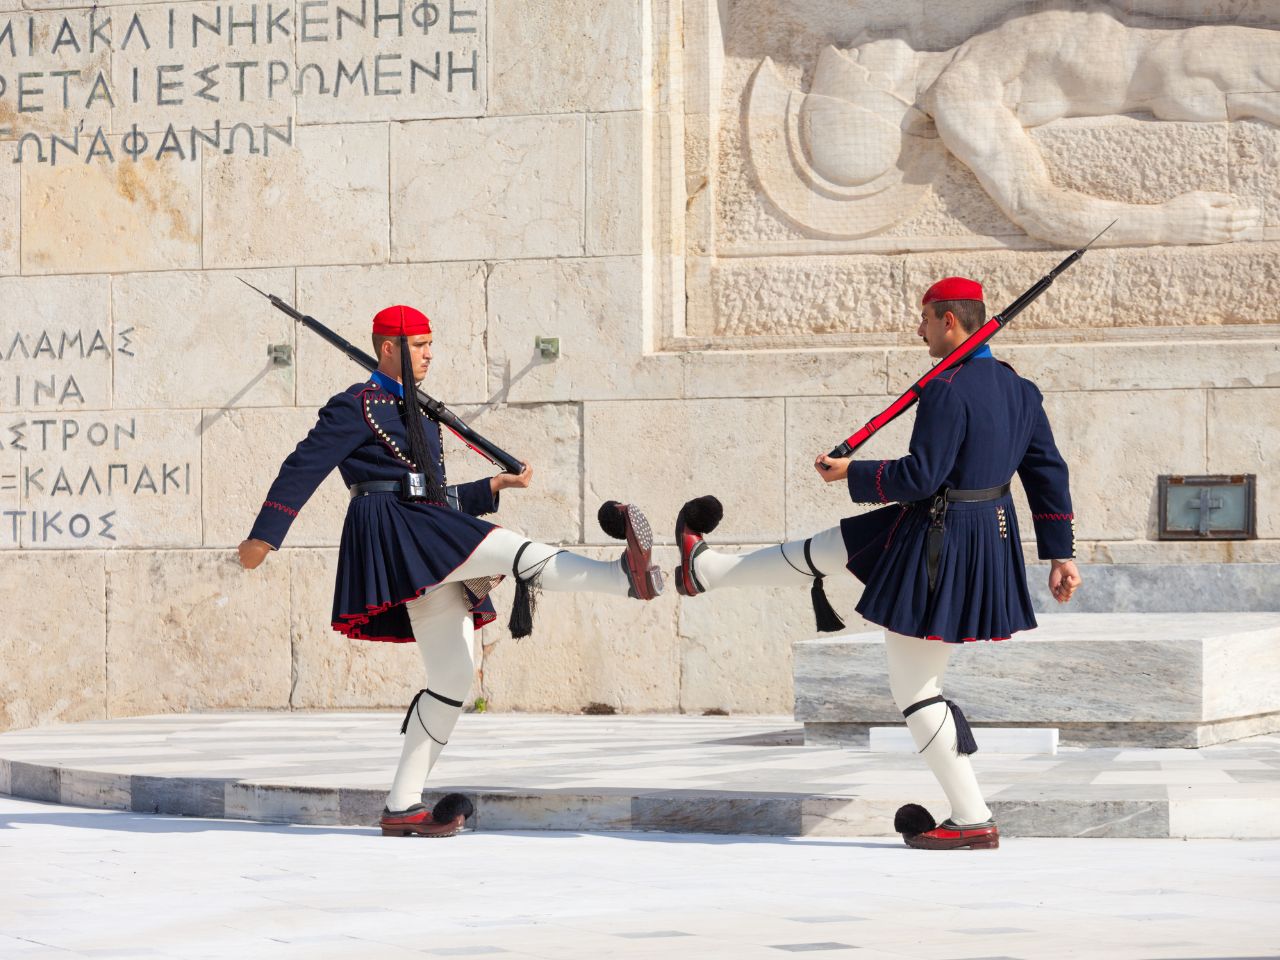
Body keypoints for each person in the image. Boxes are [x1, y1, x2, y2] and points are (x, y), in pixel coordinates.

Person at [675, 277, 1081, 850]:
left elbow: (922, 477)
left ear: (948, 320)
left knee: (917, 687)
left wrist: (854, 474)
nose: (918, 330)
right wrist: (1060, 554)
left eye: (923, 319)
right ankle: (708, 570)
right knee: (837, 545)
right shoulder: (1021, 389)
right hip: (981, 534)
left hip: (943, 537)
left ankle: (971, 818)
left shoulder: (947, 389)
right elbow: (1046, 473)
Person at [238, 304, 663, 837]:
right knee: (510, 548)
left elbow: (430, 491)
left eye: (431, 344)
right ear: (388, 348)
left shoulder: (418, 411)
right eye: (419, 345)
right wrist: (265, 537)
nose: (430, 354)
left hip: (423, 523)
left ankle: (402, 806)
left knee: (454, 675)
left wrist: (493, 489)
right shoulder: (355, 406)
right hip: (394, 529)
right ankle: (623, 575)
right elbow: (303, 465)